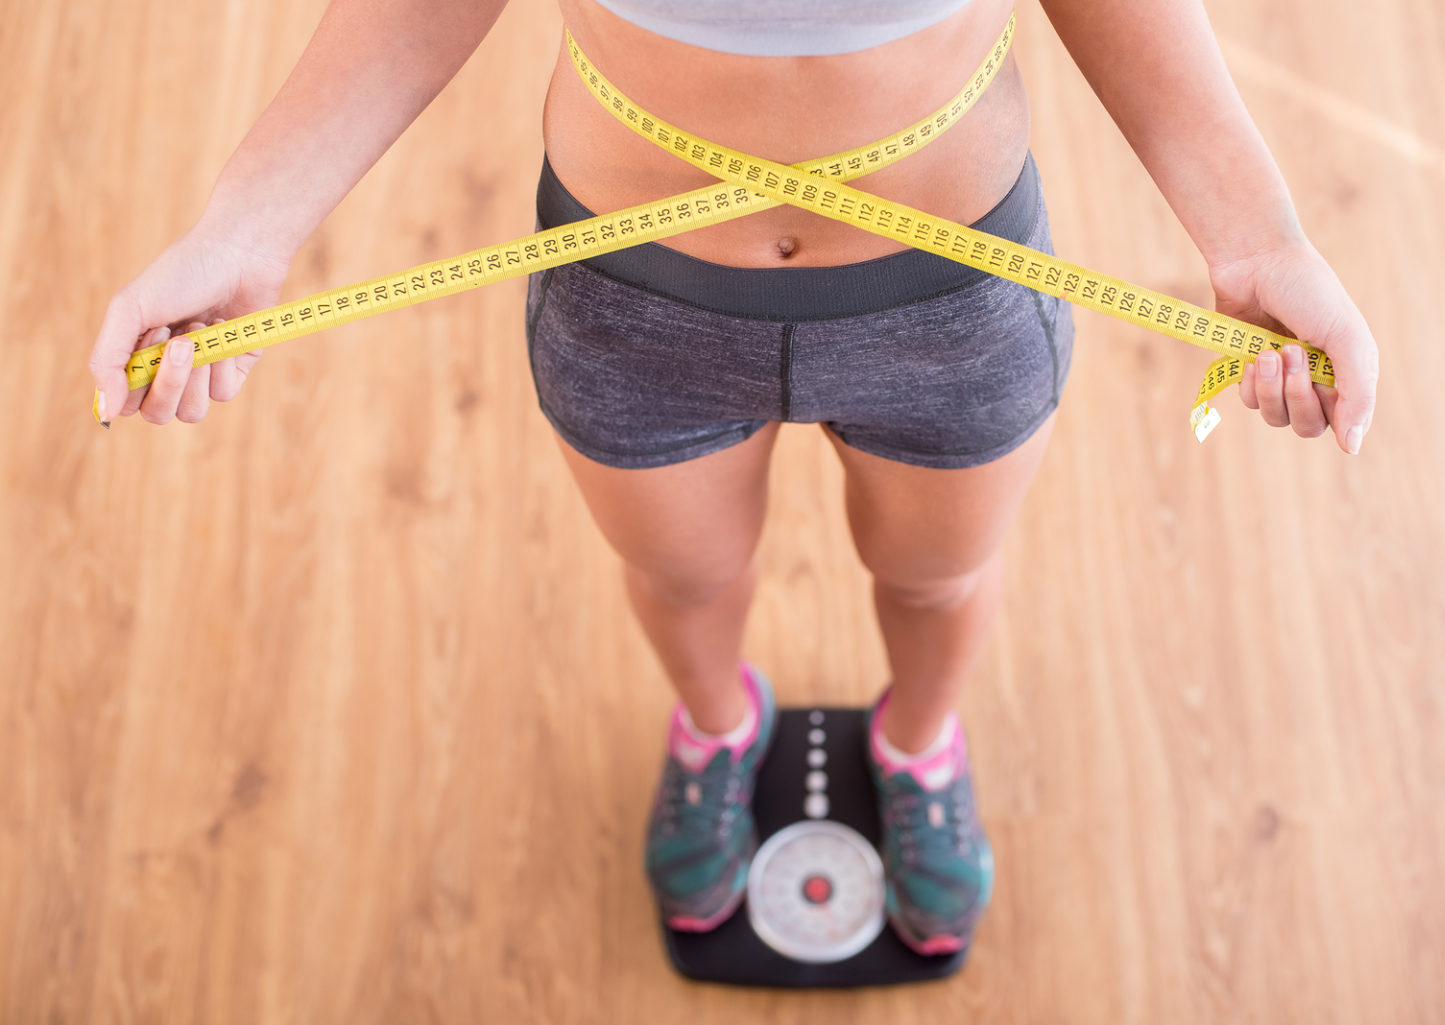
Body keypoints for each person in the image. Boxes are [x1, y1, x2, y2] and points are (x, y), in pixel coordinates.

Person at [87, 0, 1379, 955]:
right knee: (685, 577)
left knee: (935, 580)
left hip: (955, 292)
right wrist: (244, 224)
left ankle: (920, 748)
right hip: (633, 300)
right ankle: (714, 727)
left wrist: (1258, 238)